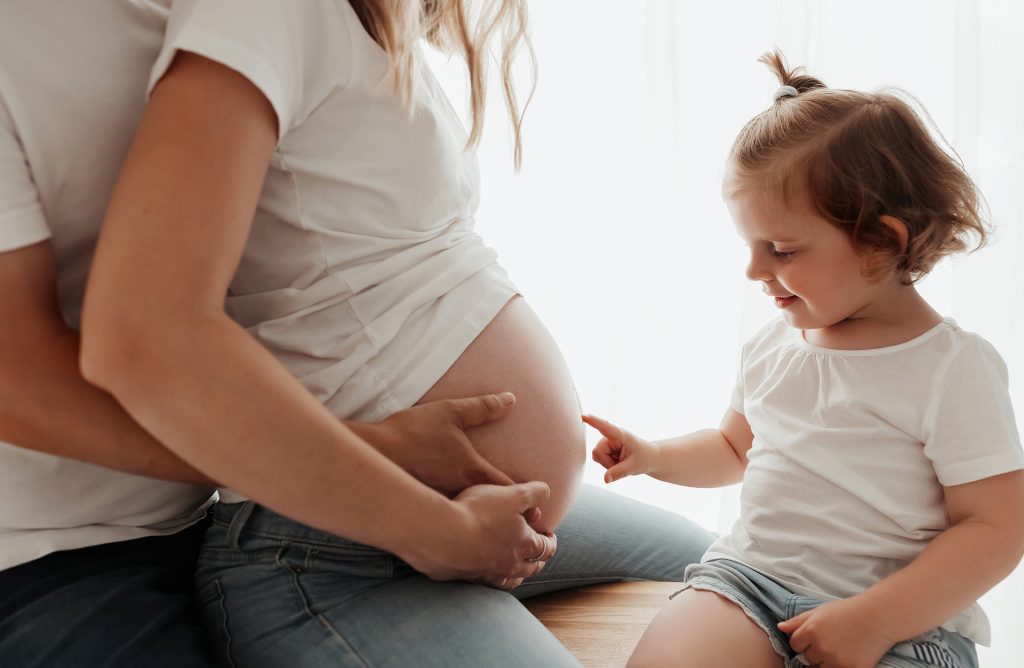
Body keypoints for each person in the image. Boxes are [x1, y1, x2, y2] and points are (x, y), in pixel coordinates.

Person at [0, 2, 714, 667]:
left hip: (303, 499)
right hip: (113, 551)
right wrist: (397, 485)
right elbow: (96, 351)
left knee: (738, 575)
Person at [584, 51, 1024, 668]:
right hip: (750, 583)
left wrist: (875, 619)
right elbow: (733, 449)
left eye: (782, 249)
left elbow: (997, 528)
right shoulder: (773, 346)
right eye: (750, 245)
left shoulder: (953, 368)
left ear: (882, 240)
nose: (754, 269)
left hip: (902, 621)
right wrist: (653, 455)